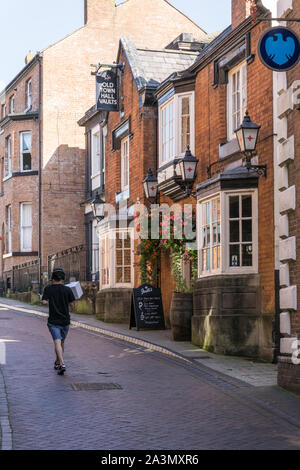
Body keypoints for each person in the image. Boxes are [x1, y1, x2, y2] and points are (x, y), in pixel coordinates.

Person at [42, 268, 75, 375]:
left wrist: (47, 301)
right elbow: (73, 305)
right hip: (65, 321)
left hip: (53, 321)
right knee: (61, 342)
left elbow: (43, 302)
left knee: (57, 342)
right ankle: (60, 363)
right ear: (63, 278)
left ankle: (59, 362)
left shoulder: (48, 289)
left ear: (53, 278)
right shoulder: (68, 290)